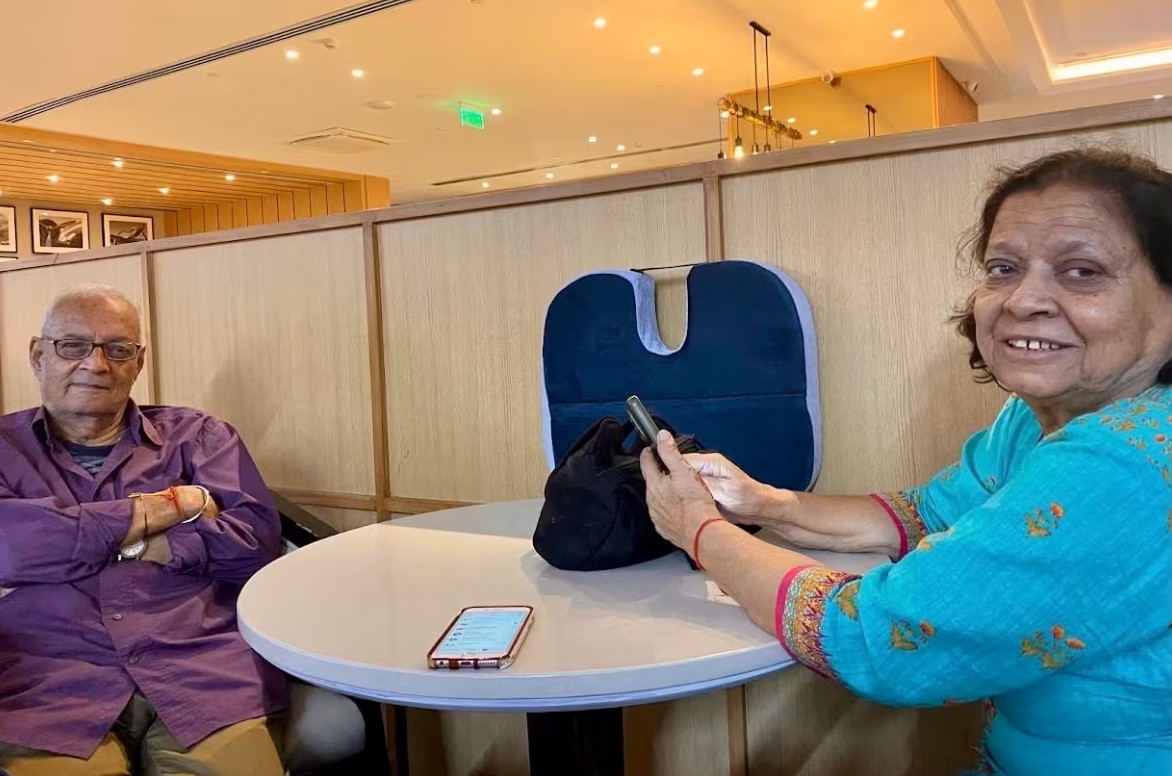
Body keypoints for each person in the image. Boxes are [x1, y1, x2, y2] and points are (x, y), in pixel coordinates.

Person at [641, 149, 1172, 776]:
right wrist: (764, 502)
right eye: (1003, 268)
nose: (1024, 300)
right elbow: (928, 513)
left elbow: (880, 638)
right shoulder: (1037, 418)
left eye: (1081, 271)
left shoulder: (1123, 464)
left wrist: (701, 532)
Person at [0, 285, 287, 775]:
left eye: (117, 349)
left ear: (139, 362)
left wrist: (130, 546)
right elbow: (13, 548)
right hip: (49, 686)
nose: (96, 365)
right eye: (72, 345)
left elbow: (255, 547)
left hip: (202, 672)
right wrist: (172, 505)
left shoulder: (199, 437)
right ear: (37, 354)